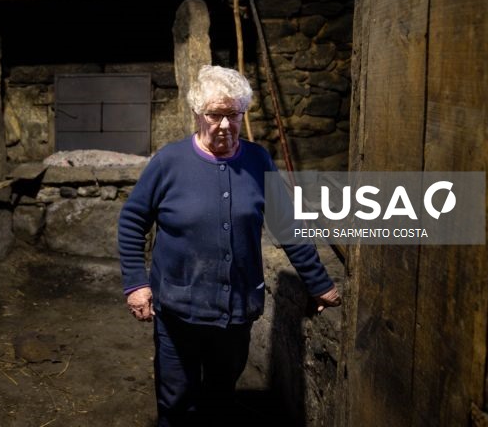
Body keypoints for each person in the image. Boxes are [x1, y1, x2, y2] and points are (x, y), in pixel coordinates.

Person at [118, 64, 341, 426]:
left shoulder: (257, 160)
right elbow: (131, 222)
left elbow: (287, 226)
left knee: (222, 397)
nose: (224, 125)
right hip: (178, 309)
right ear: (197, 114)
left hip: (235, 309)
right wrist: (136, 284)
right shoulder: (168, 162)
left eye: (233, 114)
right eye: (215, 114)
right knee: (176, 401)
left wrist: (319, 283)